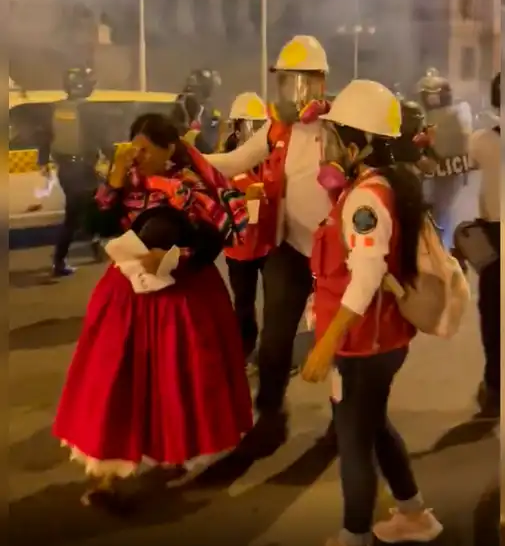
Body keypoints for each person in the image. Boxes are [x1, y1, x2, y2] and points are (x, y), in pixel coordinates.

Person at [52, 112, 253, 509]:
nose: (139, 156)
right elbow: (96, 224)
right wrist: (113, 180)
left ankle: (172, 450)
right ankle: (105, 471)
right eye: (134, 147)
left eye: (147, 149)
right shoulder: (124, 181)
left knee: (177, 380)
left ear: (169, 150)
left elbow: (213, 241)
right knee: (114, 379)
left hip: (182, 297)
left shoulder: (190, 186)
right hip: (126, 295)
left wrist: (176, 257)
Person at [299, 79, 443, 546]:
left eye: (335, 138)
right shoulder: (380, 187)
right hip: (380, 340)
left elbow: (365, 279)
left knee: (355, 444)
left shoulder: (365, 201)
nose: (328, 148)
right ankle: (413, 515)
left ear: (356, 145)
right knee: (374, 426)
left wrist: (326, 345)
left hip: (363, 345)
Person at [203, 35, 335, 458]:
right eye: (286, 82)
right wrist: (190, 159)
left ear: (321, 81)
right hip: (290, 247)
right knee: (276, 338)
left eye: (302, 81)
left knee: (340, 342)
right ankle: (271, 413)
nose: (293, 92)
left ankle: (344, 420)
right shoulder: (279, 126)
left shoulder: (340, 125)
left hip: (339, 254)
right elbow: (238, 160)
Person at [40, 67, 111, 276]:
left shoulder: (56, 108)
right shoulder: (90, 111)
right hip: (83, 169)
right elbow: (103, 140)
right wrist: (117, 158)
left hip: (66, 169)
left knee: (91, 207)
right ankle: (59, 261)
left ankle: (96, 248)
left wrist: (43, 161)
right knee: (76, 214)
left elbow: (45, 136)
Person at [221, 92, 272, 362]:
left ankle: (271, 352)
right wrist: (243, 200)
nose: (254, 134)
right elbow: (218, 205)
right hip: (239, 251)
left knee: (276, 303)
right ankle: (245, 347)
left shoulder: (271, 158)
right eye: (249, 126)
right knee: (244, 304)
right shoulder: (225, 164)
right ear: (237, 127)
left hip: (268, 244)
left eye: (259, 127)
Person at [467, 72, 501, 418]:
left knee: (492, 317)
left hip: (495, 239)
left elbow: (460, 163)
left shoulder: (481, 141)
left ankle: (495, 390)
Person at [417, 68, 475, 249]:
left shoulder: (430, 120)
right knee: (448, 216)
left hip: (438, 181)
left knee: (436, 221)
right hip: (455, 182)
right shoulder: (461, 115)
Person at [173, 68, 223, 153]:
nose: (189, 92)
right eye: (189, 89)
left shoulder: (213, 116)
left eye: (195, 88)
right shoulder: (178, 108)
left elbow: (210, 143)